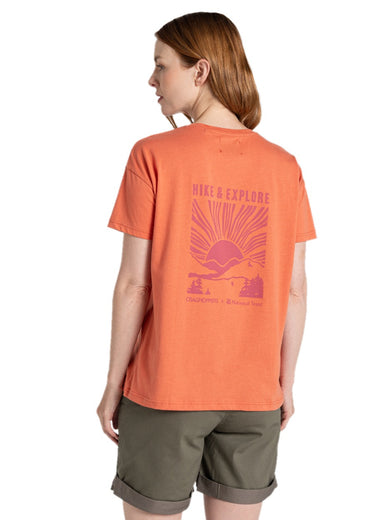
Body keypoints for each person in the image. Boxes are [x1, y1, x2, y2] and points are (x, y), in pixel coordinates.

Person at [96, 11, 317, 520]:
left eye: (161, 65)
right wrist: (284, 384)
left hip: (165, 389)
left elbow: (134, 285)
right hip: (254, 396)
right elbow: (295, 291)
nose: (152, 79)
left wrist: (113, 385)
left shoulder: (152, 156)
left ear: (200, 71)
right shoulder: (284, 167)